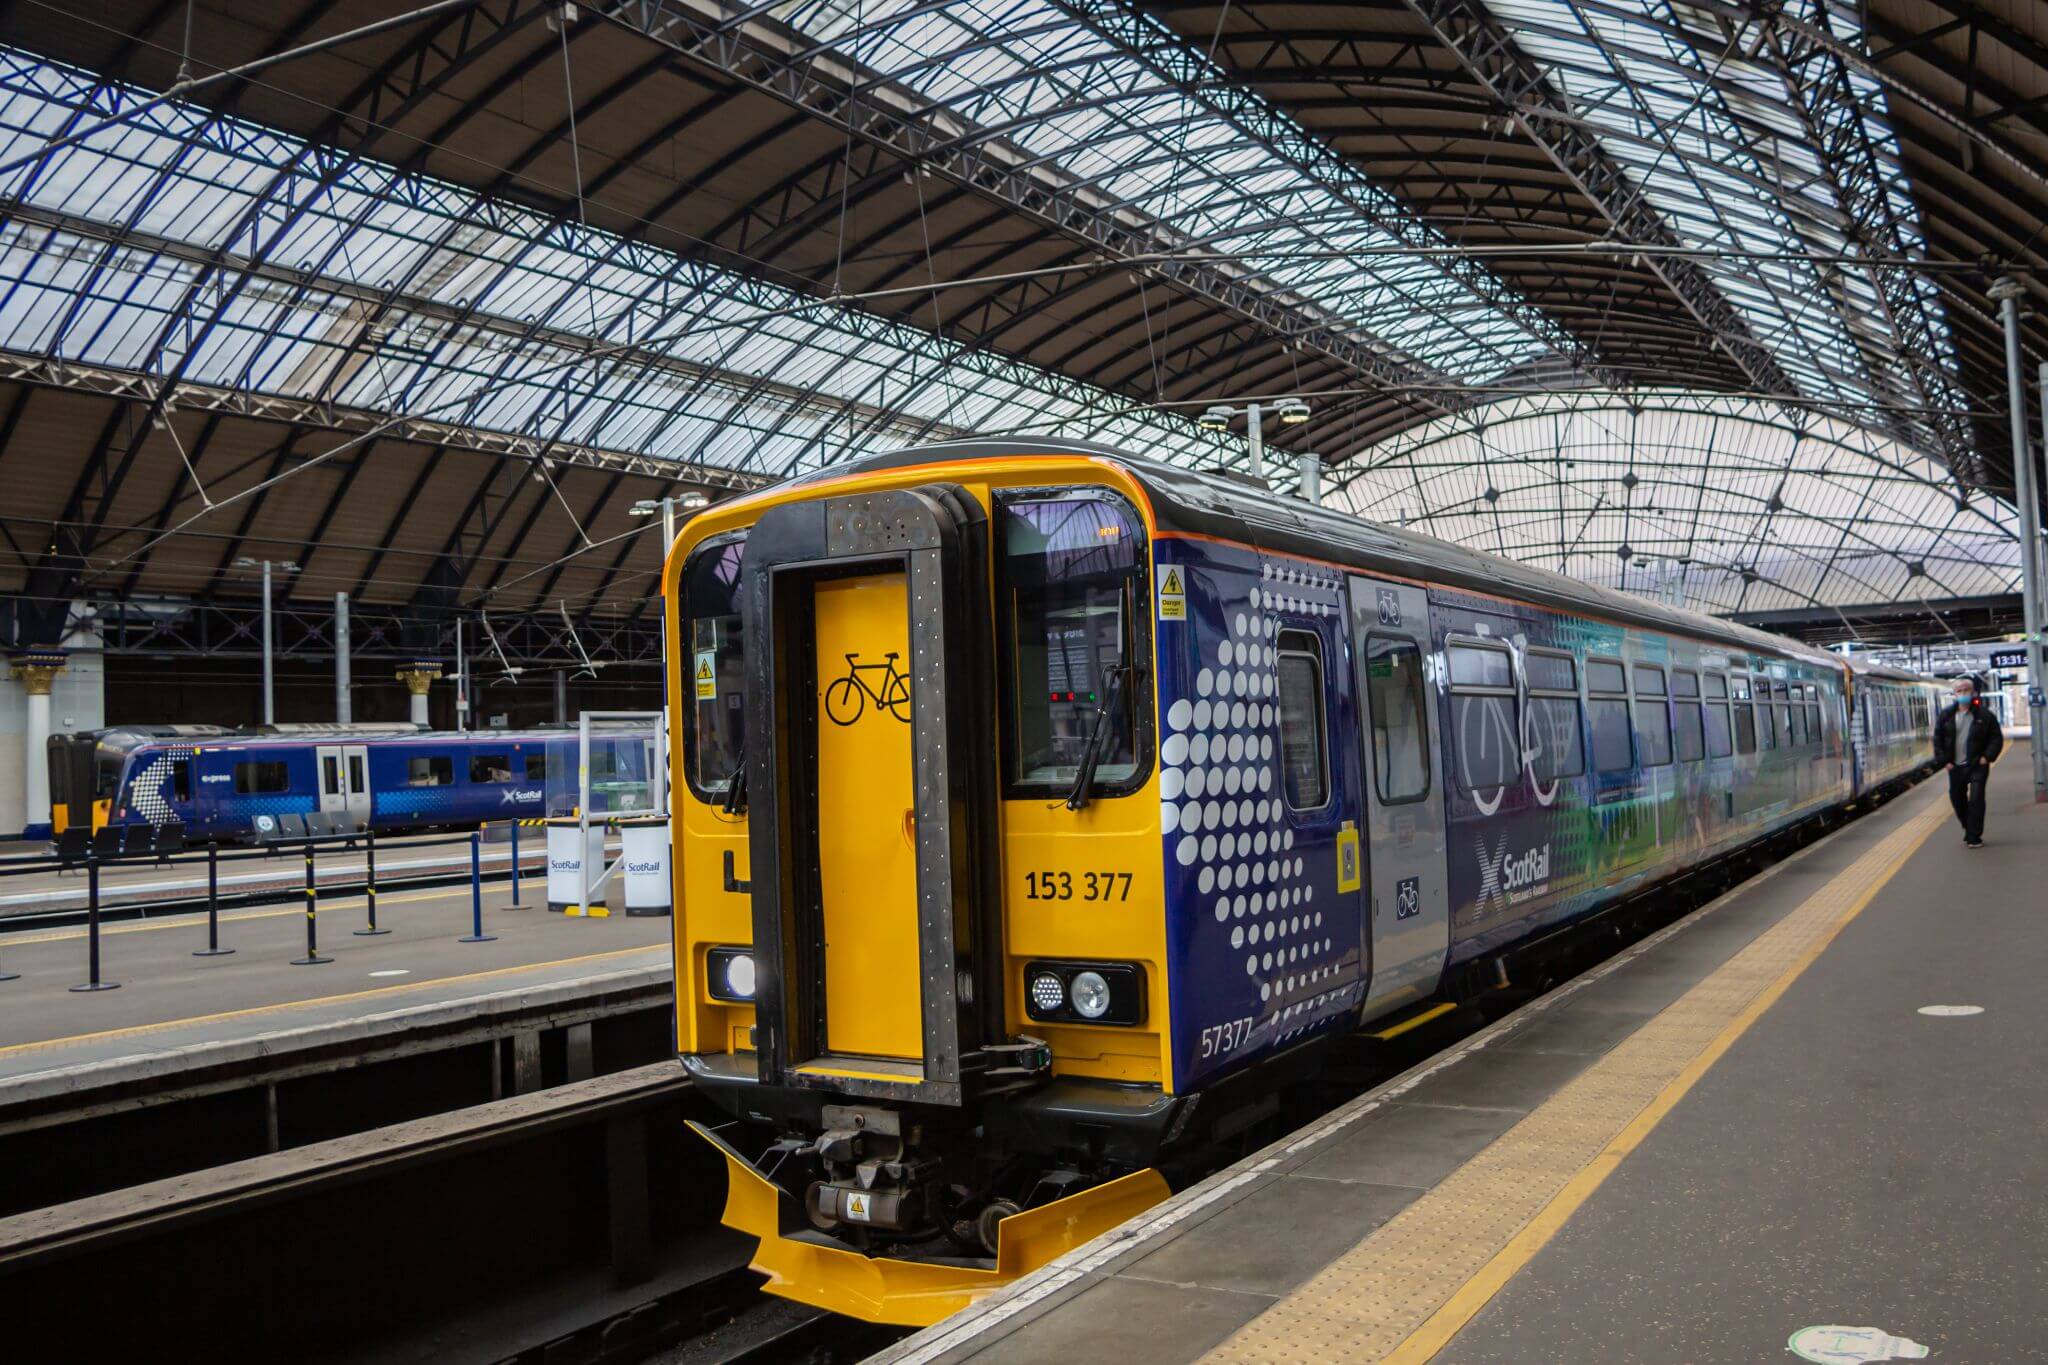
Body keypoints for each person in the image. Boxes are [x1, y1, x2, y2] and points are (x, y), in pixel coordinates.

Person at [1932, 675, 2003, 848]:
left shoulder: (1985, 715)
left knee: (1976, 799)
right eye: (1959, 691)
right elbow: (1938, 739)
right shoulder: (1946, 716)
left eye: (1966, 690)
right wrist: (1944, 761)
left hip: (1977, 764)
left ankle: (1974, 837)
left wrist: (1987, 757)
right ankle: (1968, 827)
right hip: (1955, 766)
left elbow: (1996, 738)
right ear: (1954, 694)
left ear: (1973, 692)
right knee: (1957, 799)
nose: (1963, 693)